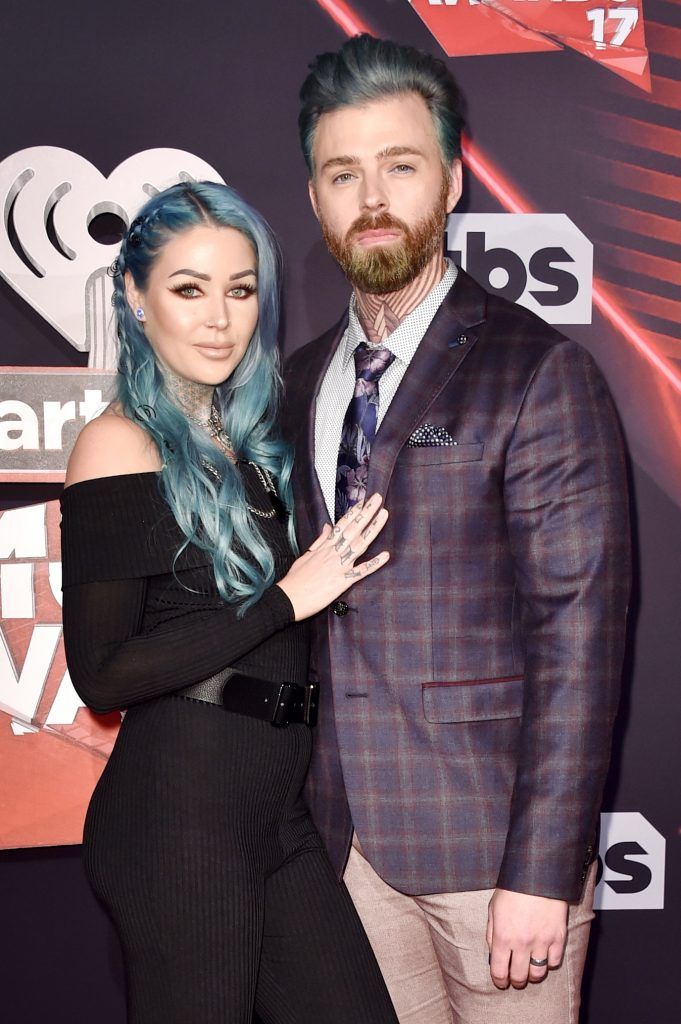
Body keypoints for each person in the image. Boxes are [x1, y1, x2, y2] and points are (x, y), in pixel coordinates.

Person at [282, 35, 631, 1024]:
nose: (373, 196)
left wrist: (542, 870)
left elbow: (579, 635)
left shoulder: (534, 371)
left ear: (452, 178)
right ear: (315, 198)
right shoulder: (301, 378)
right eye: (343, 173)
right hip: (341, 849)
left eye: (401, 164)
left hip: (493, 864)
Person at [60, 180, 399, 1024]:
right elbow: (102, 674)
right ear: (136, 299)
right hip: (178, 818)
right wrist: (285, 601)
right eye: (188, 288)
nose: (219, 317)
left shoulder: (251, 441)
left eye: (239, 290)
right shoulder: (117, 443)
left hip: (271, 812)